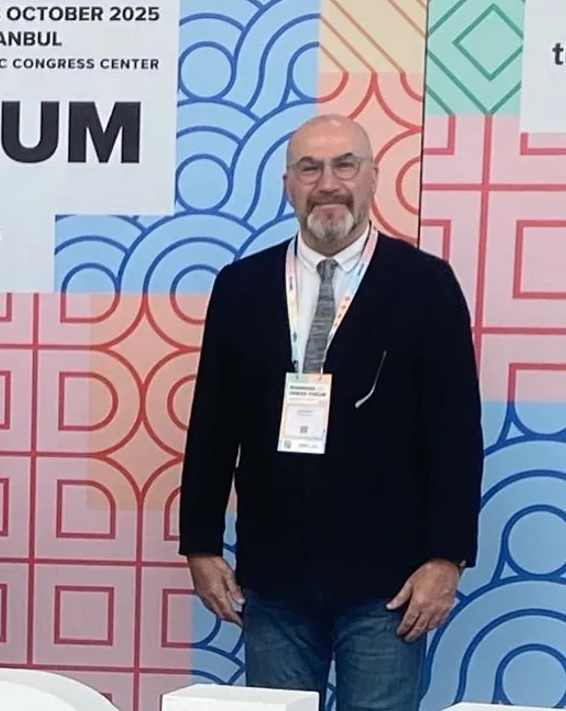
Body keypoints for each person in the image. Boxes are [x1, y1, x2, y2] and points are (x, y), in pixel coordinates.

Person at [178, 114, 484, 711]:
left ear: (373, 177)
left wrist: (445, 558)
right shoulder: (241, 287)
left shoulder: (425, 286)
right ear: (287, 185)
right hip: (272, 579)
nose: (327, 184)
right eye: (309, 168)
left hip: (388, 585)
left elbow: (454, 436)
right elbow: (212, 423)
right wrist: (201, 544)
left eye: (345, 165)